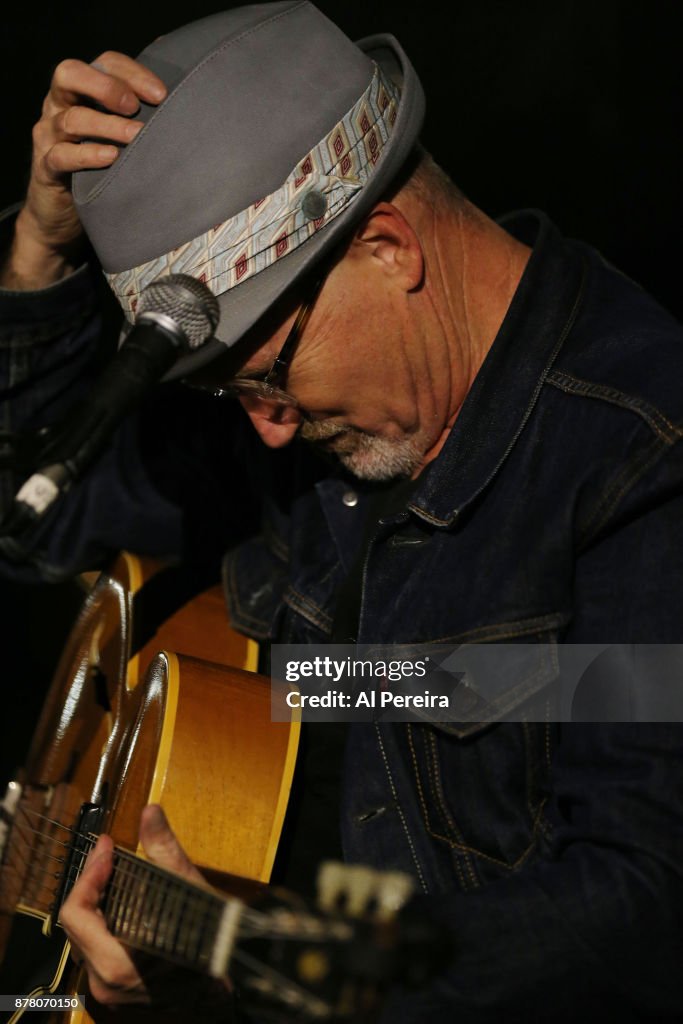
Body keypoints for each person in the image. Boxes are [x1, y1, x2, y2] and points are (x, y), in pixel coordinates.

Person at [1, 3, 683, 1021]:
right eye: (231, 396)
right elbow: (43, 525)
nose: (263, 430)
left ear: (387, 247)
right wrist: (37, 256)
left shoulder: (638, 454)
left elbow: (637, 907)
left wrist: (274, 957)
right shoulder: (315, 406)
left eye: (268, 379)